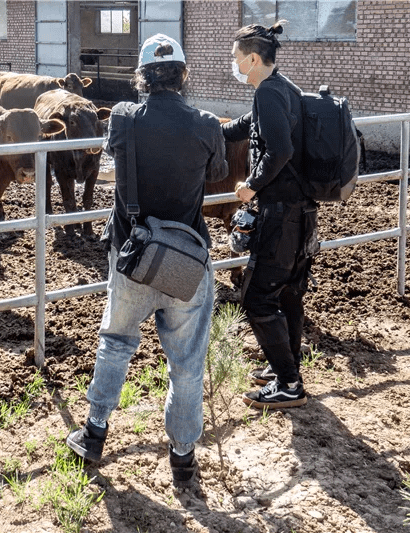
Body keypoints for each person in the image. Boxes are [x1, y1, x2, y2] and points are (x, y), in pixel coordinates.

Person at [65, 33, 228, 488]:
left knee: (116, 341)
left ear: (142, 77)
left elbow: (114, 156)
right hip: (187, 264)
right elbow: (216, 174)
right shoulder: (205, 124)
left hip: (133, 257)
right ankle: (183, 457)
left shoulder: (122, 117)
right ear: (182, 75)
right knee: (187, 361)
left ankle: (95, 433)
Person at [222, 20, 317, 409]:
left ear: (255, 59)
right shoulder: (284, 88)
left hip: (281, 216)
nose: (233, 64)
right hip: (301, 213)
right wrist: (204, 126)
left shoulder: (269, 95)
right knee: (290, 296)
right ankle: (285, 369)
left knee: (258, 297)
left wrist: (251, 187)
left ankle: (290, 384)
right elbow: (245, 127)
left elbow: (278, 151)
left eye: (236, 58)